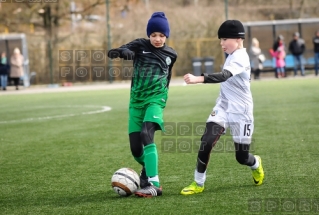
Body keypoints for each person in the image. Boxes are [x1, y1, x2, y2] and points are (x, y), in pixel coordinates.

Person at [180, 20, 264, 195]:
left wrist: (199, 78)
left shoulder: (241, 57)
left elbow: (224, 76)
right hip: (223, 107)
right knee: (207, 141)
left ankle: (255, 163)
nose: (221, 43)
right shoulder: (232, 54)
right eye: (221, 39)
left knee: (242, 158)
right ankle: (198, 183)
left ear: (238, 39)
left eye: (225, 39)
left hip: (242, 112)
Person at [107, 12, 177, 197]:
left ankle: (155, 184)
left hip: (156, 99)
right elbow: (115, 51)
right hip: (136, 102)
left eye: (162, 35)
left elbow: (167, 77)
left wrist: (163, 97)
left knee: (147, 134)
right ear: (148, 35)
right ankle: (146, 169)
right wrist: (124, 52)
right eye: (154, 35)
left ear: (166, 36)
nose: (157, 39)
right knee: (136, 150)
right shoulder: (140, 45)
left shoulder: (171, 54)